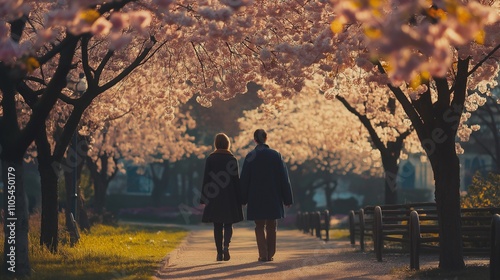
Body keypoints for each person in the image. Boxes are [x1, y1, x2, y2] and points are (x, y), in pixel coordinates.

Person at [240, 128, 293, 262]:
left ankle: (263, 254)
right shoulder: (276, 155)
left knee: (259, 226)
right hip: (273, 196)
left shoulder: (250, 156)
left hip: (256, 196)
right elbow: (284, 178)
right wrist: (287, 198)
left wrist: (243, 198)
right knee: (271, 225)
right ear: (266, 138)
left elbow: (245, 179)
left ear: (255, 140)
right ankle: (270, 254)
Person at [200, 133, 243, 261]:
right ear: (227, 144)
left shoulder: (211, 159)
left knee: (217, 225)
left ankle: (219, 253)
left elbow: (206, 180)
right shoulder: (232, 159)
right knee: (228, 224)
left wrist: (203, 198)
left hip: (215, 196)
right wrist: (240, 198)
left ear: (216, 144)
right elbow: (236, 181)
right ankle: (226, 247)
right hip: (230, 197)